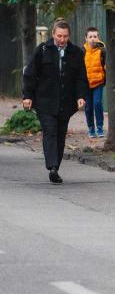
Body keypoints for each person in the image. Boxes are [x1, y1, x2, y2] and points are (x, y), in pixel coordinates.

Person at [22, 20, 88, 183]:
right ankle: (52, 166)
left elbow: (81, 78)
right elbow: (30, 74)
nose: (62, 39)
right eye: (59, 36)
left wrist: (81, 96)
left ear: (69, 36)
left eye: (65, 36)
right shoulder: (43, 50)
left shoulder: (76, 53)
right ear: (53, 35)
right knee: (50, 130)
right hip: (45, 100)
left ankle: (55, 168)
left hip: (66, 102)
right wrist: (27, 96)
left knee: (60, 133)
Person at [83, 27, 106, 138]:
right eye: (90, 37)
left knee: (97, 103)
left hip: (98, 82)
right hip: (86, 83)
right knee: (88, 107)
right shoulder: (83, 51)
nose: (92, 39)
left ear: (98, 38)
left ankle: (100, 128)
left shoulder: (102, 51)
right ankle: (91, 128)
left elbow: (106, 65)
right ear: (86, 38)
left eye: (95, 36)